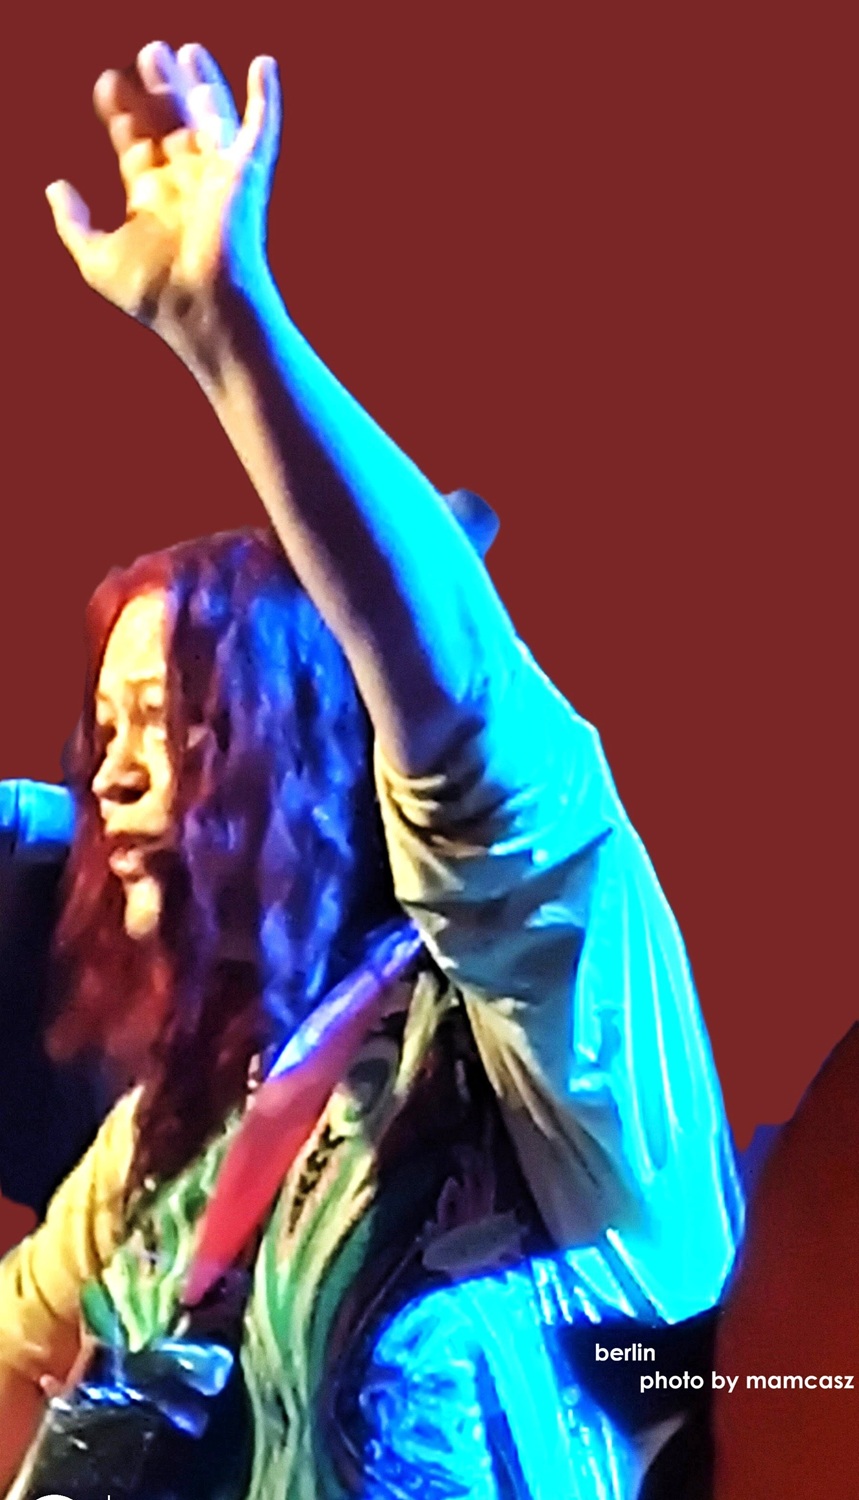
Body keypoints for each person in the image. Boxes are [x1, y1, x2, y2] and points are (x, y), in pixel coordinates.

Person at [0, 41, 742, 1499]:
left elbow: (473, 742)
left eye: (178, 726)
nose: (117, 782)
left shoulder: (531, 1044)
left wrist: (236, 338)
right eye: (108, 733)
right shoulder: (185, 1127)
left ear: (305, 743)